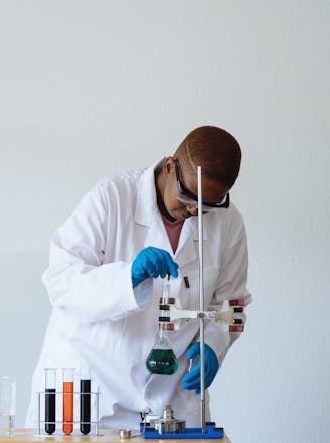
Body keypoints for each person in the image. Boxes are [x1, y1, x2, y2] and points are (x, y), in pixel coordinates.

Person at [25, 125, 251, 430]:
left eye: (206, 206)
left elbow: (231, 306)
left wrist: (213, 343)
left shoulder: (229, 223)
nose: (192, 211)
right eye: (187, 197)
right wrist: (126, 279)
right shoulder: (112, 197)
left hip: (169, 403)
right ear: (170, 166)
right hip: (90, 392)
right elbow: (60, 281)